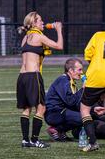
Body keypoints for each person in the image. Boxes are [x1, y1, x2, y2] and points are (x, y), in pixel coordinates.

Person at [16, 11, 63, 148]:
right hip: (32, 76)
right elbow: (59, 46)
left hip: (22, 77)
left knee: (26, 109)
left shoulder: (26, 37)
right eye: (40, 20)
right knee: (41, 107)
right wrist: (59, 30)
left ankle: (25, 141)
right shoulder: (38, 36)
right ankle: (35, 140)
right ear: (34, 23)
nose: (43, 22)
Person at [45, 58, 84, 141]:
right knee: (84, 117)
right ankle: (57, 129)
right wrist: (83, 89)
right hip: (54, 113)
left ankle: (60, 130)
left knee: (87, 114)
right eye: (79, 70)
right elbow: (70, 101)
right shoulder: (63, 80)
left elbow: (75, 103)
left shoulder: (70, 82)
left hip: (61, 111)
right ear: (70, 70)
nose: (82, 73)